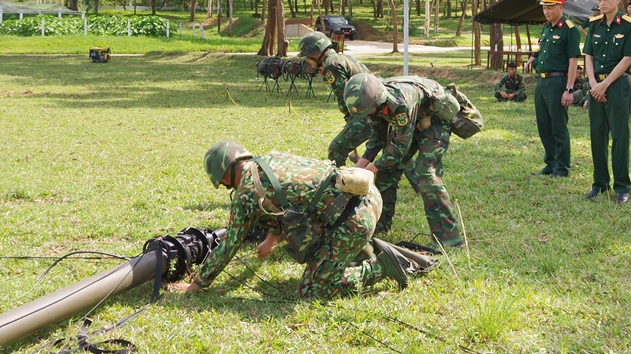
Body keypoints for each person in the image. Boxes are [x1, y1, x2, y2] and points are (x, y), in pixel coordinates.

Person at [176, 141, 411, 299]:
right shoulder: (270, 159)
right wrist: (271, 239)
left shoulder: (246, 192)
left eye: (223, 182)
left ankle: (380, 267)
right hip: (367, 196)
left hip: (352, 221)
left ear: (225, 174)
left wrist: (196, 284)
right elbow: (284, 201)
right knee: (330, 248)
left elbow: (229, 245)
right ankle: (363, 250)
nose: (226, 186)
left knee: (312, 289)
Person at [345, 73, 465, 247]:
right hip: (414, 122)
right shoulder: (373, 103)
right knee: (386, 172)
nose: (368, 114)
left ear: (378, 100)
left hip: (436, 120)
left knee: (426, 173)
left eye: (369, 111)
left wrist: (367, 171)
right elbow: (378, 136)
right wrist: (360, 164)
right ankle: (380, 226)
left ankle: (449, 238)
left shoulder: (399, 104)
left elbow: (398, 150)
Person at [582, 0, 631, 203]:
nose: (602, 2)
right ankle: (599, 183)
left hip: (616, 86)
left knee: (619, 136)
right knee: (597, 135)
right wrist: (593, 84)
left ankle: (622, 186)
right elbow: (588, 55)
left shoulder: (630, 25)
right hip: (595, 85)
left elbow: (628, 59)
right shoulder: (594, 24)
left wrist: (605, 84)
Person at [524, 0, 581, 178]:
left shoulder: (570, 30)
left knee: (558, 126)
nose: (547, 11)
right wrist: (533, 57)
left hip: (558, 82)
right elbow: (545, 49)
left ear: (561, 7)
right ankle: (550, 163)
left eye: (551, 7)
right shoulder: (546, 27)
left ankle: (562, 167)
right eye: (544, 8)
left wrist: (569, 89)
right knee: (544, 125)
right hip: (542, 82)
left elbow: (573, 60)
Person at [298, 31, 373, 165]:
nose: (307, 61)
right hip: (374, 109)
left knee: (336, 149)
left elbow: (345, 98)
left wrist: (348, 117)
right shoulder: (342, 58)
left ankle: (336, 184)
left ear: (316, 53)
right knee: (397, 154)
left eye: (308, 57)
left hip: (368, 115)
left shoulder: (331, 66)